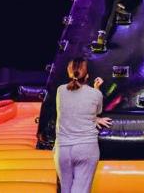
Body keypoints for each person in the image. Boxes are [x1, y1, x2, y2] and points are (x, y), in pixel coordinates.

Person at [55, 57, 113, 193]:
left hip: (62, 149)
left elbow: (71, 108)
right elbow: (95, 112)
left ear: (69, 73)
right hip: (86, 147)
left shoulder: (60, 91)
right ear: (87, 75)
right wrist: (96, 88)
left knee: (65, 190)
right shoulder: (96, 94)